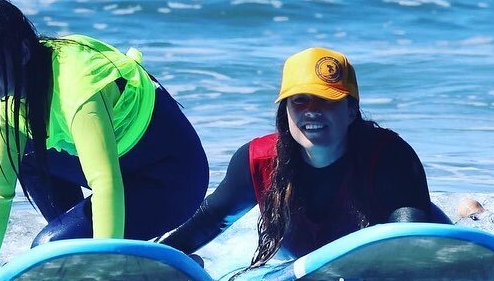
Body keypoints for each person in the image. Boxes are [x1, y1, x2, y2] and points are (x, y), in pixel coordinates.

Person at [0, 0, 208, 281]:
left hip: (171, 180)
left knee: (49, 248)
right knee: (26, 158)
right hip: (120, 175)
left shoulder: (76, 83)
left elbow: (105, 181)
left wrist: (104, 272)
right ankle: (136, 261)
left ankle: (131, 266)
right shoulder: (5, 97)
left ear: (21, 52)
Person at [159, 46, 450, 268]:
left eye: (327, 100)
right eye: (299, 100)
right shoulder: (257, 162)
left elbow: (408, 234)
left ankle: (471, 212)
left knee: (457, 223)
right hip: (309, 261)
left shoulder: (389, 156)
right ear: (284, 114)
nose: (312, 110)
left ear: (351, 111)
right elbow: (209, 220)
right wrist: (162, 259)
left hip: (421, 221)